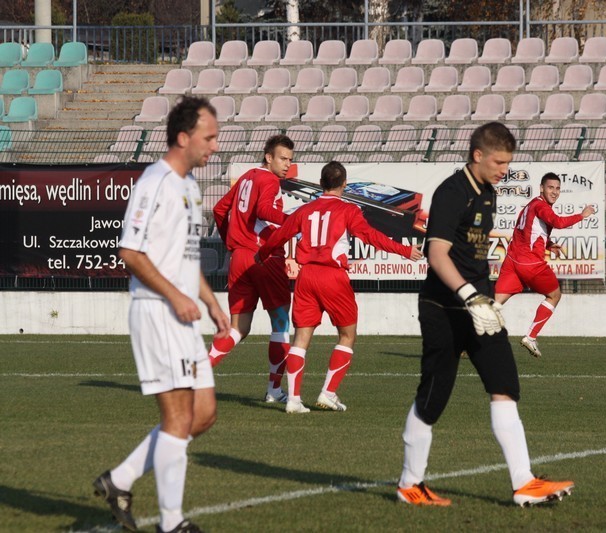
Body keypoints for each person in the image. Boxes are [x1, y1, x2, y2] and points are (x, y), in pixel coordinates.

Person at [397, 122, 573, 508]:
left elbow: (472, 254)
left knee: (505, 382)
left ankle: (524, 481)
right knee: (434, 395)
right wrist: (468, 295)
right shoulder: (450, 192)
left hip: (479, 305)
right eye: (498, 161)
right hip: (443, 307)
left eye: (508, 163)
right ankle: (410, 484)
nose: (503, 169)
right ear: (477, 155)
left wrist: (485, 300)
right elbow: (437, 255)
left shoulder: (489, 194)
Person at [93, 96, 230, 533]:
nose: (215, 146)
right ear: (183, 137)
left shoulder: (190, 186)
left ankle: (120, 479)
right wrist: (174, 295)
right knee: (177, 419)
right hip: (157, 311)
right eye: (209, 138)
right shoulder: (155, 181)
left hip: (185, 313)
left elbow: (185, 259)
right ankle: (172, 523)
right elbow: (130, 253)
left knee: (203, 414)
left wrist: (208, 298)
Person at [255, 161, 423, 414]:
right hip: (333, 276)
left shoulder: (305, 210)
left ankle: (293, 399)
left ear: (321, 184)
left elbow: (280, 235)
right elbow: (371, 237)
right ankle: (328, 393)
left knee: (300, 338)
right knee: (347, 335)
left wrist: (262, 254)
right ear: (344, 184)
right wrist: (404, 250)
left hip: (306, 276)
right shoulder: (349, 210)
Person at [208, 134, 294, 403]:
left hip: (240, 258)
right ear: (268, 157)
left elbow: (219, 209)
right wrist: (293, 220)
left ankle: (195, 375)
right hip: (265, 257)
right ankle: (274, 391)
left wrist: (231, 242)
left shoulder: (247, 176)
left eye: (290, 160)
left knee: (238, 329)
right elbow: (266, 211)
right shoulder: (269, 180)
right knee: (280, 323)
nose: (287, 165)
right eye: (282, 158)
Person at [494, 172, 596, 358]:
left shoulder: (531, 205)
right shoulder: (541, 206)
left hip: (512, 261)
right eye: (550, 187)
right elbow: (557, 222)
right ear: (541, 188)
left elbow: (523, 231)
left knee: (496, 303)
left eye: (557, 188)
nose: (555, 192)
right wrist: (582, 215)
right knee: (554, 295)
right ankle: (530, 337)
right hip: (530, 263)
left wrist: (548, 244)